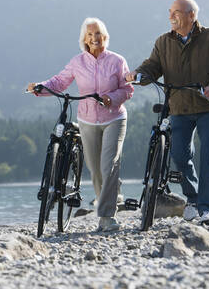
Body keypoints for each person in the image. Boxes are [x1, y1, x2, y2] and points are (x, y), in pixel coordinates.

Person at [126, 0, 209, 225]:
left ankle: (207, 210)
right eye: (170, 12)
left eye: (176, 12)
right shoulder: (163, 42)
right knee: (179, 155)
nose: (171, 17)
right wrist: (138, 75)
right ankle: (193, 199)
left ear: (191, 15)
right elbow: (153, 66)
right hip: (178, 106)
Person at [28, 17, 133, 231]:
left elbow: (127, 89)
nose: (94, 38)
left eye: (98, 34)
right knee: (95, 171)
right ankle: (110, 197)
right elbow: (59, 81)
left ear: (105, 37)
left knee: (108, 165)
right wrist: (40, 87)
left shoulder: (117, 61)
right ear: (84, 39)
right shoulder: (78, 62)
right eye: (90, 34)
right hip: (87, 120)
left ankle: (106, 217)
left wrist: (111, 98)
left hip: (114, 118)